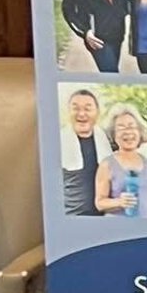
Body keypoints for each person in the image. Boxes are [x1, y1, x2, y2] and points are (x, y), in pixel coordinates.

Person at [93, 104, 147, 219]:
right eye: (121, 128)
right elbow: (99, 203)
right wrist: (119, 202)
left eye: (132, 126)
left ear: (139, 131)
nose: (128, 132)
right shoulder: (107, 164)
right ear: (114, 134)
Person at [61, 88, 105, 216]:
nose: (81, 114)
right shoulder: (57, 141)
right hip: (72, 215)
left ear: (97, 113)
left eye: (87, 108)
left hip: (103, 216)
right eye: (75, 108)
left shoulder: (105, 138)